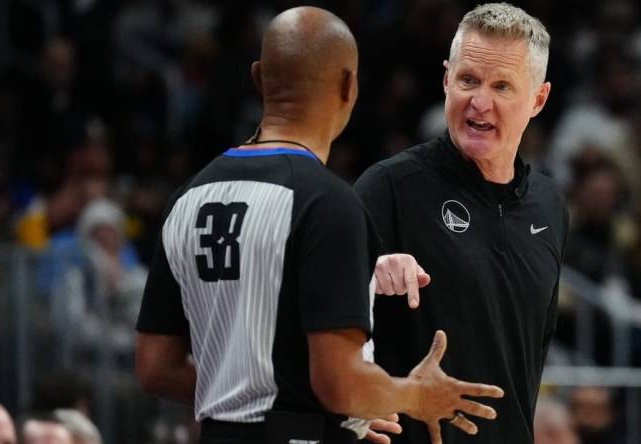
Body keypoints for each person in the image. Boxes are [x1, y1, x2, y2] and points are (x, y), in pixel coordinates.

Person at [134, 6, 503, 444]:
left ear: (258, 78)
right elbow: (338, 383)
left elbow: (155, 368)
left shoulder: (187, 198)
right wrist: (412, 396)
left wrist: (309, 406)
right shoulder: (328, 204)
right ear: (350, 86)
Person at [354, 3, 568, 443]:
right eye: (468, 79)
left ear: (538, 100)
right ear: (446, 78)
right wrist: (354, 408)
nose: (480, 102)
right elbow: (316, 322)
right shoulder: (389, 188)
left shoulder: (549, 206)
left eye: (502, 86)